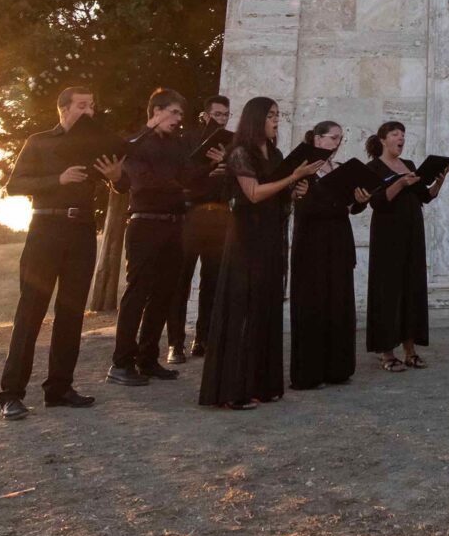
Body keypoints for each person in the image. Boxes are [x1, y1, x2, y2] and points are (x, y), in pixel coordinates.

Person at [0, 86, 122, 420]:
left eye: (92, 105)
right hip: (44, 232)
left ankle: (59, 389)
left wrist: (116, 177)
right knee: (31, 311)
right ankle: (11, 394)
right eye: (83, 105)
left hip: (81, 234)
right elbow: (14, 185)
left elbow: (121, 184)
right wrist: (58, 179)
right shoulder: (39, 141)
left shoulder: (94, 144)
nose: (89, 111)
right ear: (63, 109)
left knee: (71, 313)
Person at [198, 97, 324, 409]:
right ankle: (233, 389)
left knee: (265, 308)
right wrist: (292, 177)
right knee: (244, 308)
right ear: (256, 119)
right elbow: (252, 194)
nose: (276, 120)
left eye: (278, 115)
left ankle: (261, 384)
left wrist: (295, 190)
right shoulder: (242, 152)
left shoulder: (277, 153)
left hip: (270, 236)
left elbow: (277, 195)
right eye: (270, 115)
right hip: (246, 239)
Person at [104, 89, 204, 387]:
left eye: (180, 115)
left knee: (164, 294)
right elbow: (143, 183)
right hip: (145, 226)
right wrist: (181, 188)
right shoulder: (135, 143)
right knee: (137, 294)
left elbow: (191, 177)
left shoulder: (177, 144)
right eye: (173, 113)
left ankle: (147, 359)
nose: (178, 120)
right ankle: (121, 364)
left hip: (175, 226)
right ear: (156, 111)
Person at [290, 120, 371, 390]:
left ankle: (338, 369)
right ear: (317, 139)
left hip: (339, 243)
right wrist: (339, 205)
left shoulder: (340, 169)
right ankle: (309, 373)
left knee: (339, 304)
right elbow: (305, 209)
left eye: (340, 138)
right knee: (313, 306)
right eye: (332, 138)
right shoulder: (302, 170)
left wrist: (360, 201)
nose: (337, 143)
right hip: (311, 245)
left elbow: (351, 207)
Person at [365, 121, 440, 371]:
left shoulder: (408, 165)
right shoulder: (373, 167)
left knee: (411, 288)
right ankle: (387, 353)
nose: (401, 138)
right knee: (388, 290)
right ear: (383, 139)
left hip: (412, 233)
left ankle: (410, 350)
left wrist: (439, 181)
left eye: (404, 135)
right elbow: (377, 201)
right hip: (387, 236)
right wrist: (399, 184)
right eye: (396, 134)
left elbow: (425, 196)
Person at [165, 94, 231, 365]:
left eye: (225, 115)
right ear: (205, 115)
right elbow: (181, 176)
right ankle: (175, 343)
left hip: (219, 214)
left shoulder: (231, 142)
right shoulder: (186, 139)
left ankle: (202, 338)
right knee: (181, 280)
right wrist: (209, 168)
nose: (221, 119)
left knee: (212, 280)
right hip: (190, 213)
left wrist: (227, 165)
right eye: (217, 114)